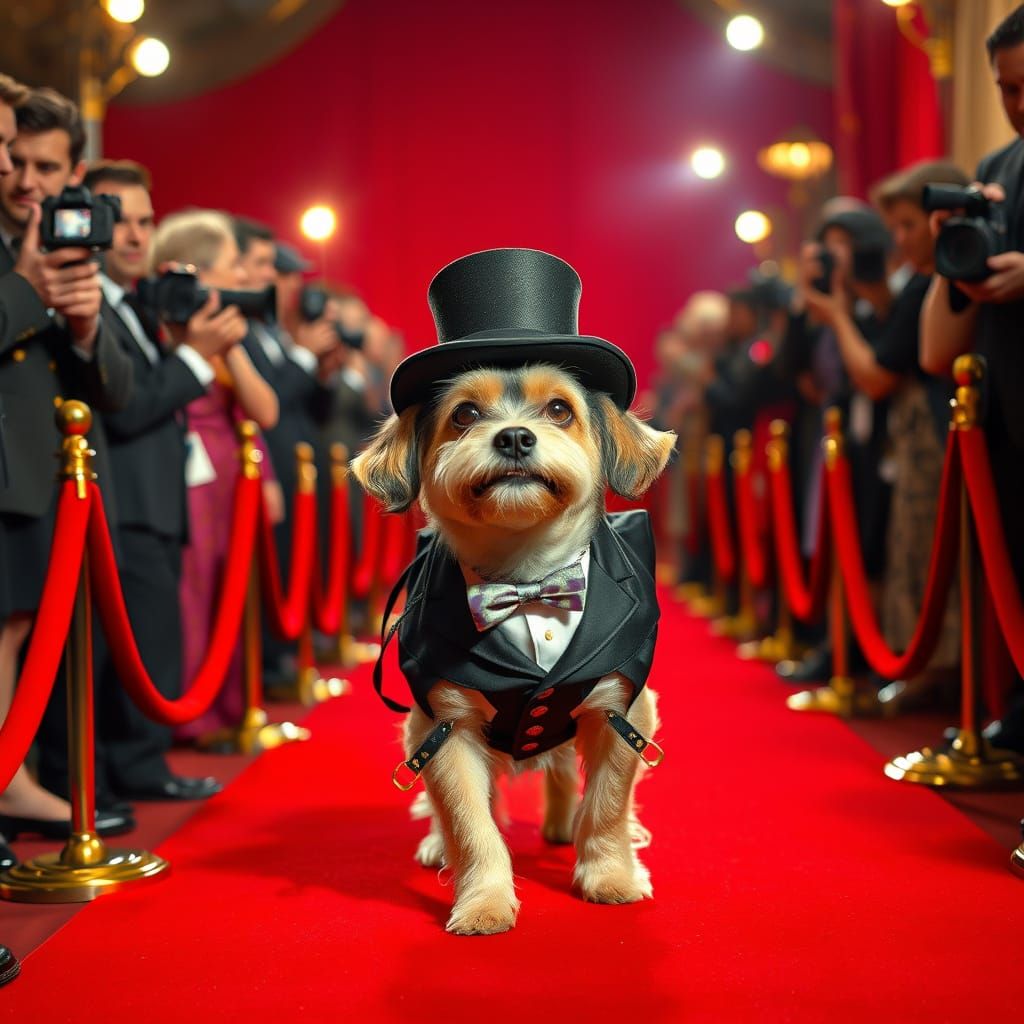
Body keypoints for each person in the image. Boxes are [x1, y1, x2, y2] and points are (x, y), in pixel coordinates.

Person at [37, 161, 242, 802]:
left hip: (152, 500)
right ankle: (91, 779)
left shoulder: (135, 306)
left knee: (146, 645)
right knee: (103, 654)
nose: (133, 234)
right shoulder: (85, 299)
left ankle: (137, 766)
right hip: (111, 502)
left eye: (144, 221)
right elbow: (125, 405)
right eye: (117, 219)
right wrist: (192, 356)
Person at [0, 83, 134, 843]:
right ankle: (12, 789)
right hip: (16, 476)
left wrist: (82, 324)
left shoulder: (65, 247)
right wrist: (28, 291)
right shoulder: (19, 256)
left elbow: (115, 387)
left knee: (28, 630)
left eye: (46, 168)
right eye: (14, 161)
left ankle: (27, 785)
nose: (28, 182)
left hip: (53, 483)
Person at [803, 160, 969, 705]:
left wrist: (839, 316)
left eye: (907, 226)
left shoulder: (934, 280)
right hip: (910, 440)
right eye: (894, 227)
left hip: (933, 438)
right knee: (908, 551)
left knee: (925, 551)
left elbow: (878, 374)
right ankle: (916, 669)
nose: (900, 239)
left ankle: (937, 675)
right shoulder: (920, 282)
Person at [921, 3, 1024, 751]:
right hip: (1005, 415)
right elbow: (936, 350)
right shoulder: (995, 171)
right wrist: (947, 263)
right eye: (1008, 89)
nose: (1019, 106)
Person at [148, 211, 279, 741]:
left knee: (228, 589)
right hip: (184, 473)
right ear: (196, 270)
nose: (245, 278)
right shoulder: (166, 321)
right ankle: (191, 714)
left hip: (228, 472)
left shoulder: (222, 327)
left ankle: (227, 709)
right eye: (232, 266)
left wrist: (230, 347)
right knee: (193, 591)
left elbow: (262, 411)